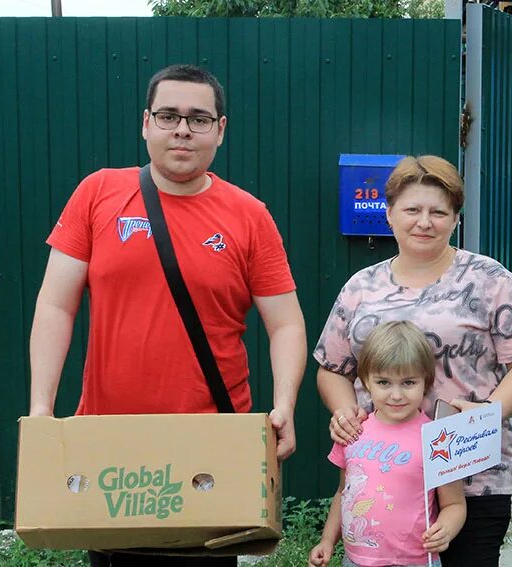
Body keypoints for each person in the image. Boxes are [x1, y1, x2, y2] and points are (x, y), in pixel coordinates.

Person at [28, 64, 307, 567]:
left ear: (221, 130)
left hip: (209, 448)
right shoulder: (98, 194)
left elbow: (285, 323)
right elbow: (54, 305)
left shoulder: (249, 215)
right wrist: (42, 411)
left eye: (199, 118)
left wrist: (283, 404)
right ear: (145, 123)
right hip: (112, 445)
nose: (182, 128)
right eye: (169, 115)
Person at [314, 155, 512, 566]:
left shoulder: (489, 280)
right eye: (412, 210)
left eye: (438, 212)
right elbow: (332, 368)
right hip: (385, 481)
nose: (424, 222)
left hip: (472, 478)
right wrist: (345, 412)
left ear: (455, 218)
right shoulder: (360, 288)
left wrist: (487, 413)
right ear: (389, 214)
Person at [309, 321, 467, 567]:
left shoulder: (437, 439)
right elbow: (343, 493)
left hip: (414, 561)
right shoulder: (353, 431)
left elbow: (454, 504)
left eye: (408, 383)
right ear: (366, 382)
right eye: (384, 382)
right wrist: (327, 541)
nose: (396, 395)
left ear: (425, 382)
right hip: (354, 561)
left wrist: (446, 529)